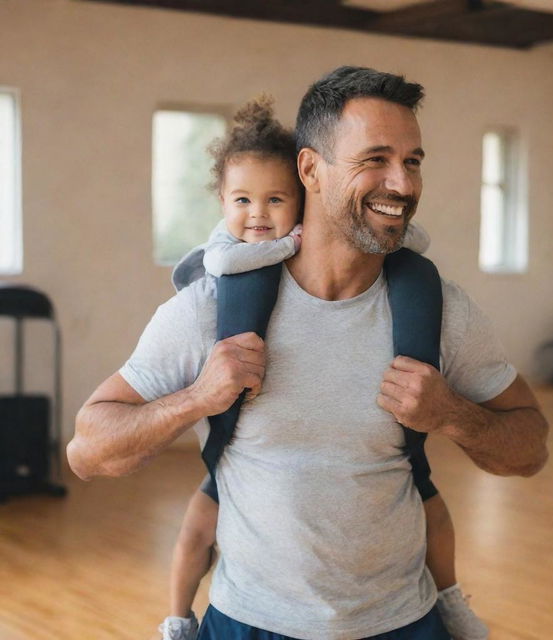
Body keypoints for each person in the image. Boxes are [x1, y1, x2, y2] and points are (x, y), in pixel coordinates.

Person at [68, 66, 549, 640]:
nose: (402, 183)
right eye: (375, 159)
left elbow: (531, 449)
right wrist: (196, 398)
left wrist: (451, 414)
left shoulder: (440, 310)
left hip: (402, 624)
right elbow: (87, 451)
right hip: (248, 624)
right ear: (310, 169)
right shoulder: (211, 311)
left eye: (413, 161)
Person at [158, 96, 487, 640]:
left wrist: (384, 232)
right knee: (196, 528)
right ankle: (176, 618)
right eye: (241, 200)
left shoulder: (424, 294)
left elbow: (410, 241)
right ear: (221, 200)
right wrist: (293, 242)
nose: (257, 215)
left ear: (305, 192)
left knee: (434, 509)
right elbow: (227, 263)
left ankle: (451, 598)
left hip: (395, 603)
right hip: (245, 534)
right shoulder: (225, 259)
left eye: (275, 199)